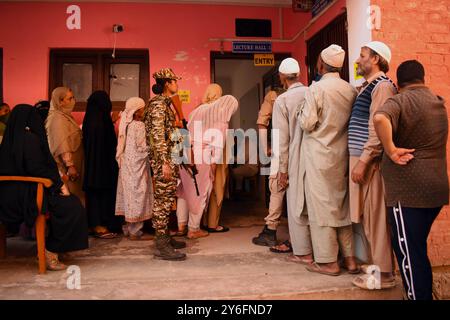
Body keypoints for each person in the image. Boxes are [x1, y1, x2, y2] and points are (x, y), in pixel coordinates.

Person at [374, 60, 449, 300]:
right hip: (435, 191)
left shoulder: (399, 101)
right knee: (417, 250)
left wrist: (391, 149)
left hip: (408, 194)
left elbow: (379, 119)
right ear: (422, 78)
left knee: (409, 254)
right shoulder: (437, 102)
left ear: (399, 82)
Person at [0, 105, 88, 271]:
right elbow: (37, 169)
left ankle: (55, 247)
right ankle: (51, 250)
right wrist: (60, 185)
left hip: (8, 196)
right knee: (72, 206)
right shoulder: (30, 139)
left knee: (65, 204)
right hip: (30, 195)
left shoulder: (9, 138)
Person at [299, 45, 359, 276]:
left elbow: (307, 123)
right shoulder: (350, 89)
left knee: (321, 208)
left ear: (321, 65)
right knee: (341, 205)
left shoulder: (317, 89)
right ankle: (350, 259)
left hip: (319, 157)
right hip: (342, 155)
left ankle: (328, 262)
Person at [348, 41, 397, 289]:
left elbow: (378, 129)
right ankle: (377, 267)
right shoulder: (368, 87)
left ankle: (384, 275)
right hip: (362, 160)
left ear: (376, 59)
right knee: (368, 217)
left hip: (371, 163)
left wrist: (365, 161)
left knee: (375, 217)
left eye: (363, 55)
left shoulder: (383, 86)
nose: (358, 60)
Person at [263, 58, 313, 264]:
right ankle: (316, 247)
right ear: (299, 75)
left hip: (293, 160)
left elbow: (282, 140)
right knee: (311, 203)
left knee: (295, 206)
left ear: (282, 77)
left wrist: (282, 169)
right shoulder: (311, 92)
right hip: (314, 156)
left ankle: (300, 249)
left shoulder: (282, 100)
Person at [176, 84, 238, 239]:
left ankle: (181, 226)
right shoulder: (219, 114)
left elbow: (186, 134)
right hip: (203, 156)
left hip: (186, 154)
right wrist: (214, 165)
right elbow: (217, 143)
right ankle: (193, 229)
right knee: (200, 192)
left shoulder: (196, 111)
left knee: (184, 192)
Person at [144, 68, 186, 261]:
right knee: (162, 202)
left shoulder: (164, 104)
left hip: (169, 158)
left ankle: (165, 238)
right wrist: (164, 163)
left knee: (168, 200)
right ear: (167, 83)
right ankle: (161, 244)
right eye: (174, 81)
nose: (177, 84)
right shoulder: (159, 106)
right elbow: (157, 136)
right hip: (164, 161)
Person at [82, 91, 120, 238]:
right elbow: (105, 143)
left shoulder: (91, 120)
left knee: (94, 195)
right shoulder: (99, 122)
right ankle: (100, 226)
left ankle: (95, 225)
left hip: (93, 166)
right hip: (102, 167)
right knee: (102, 195)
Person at [115, 97, 153, 241]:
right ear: (137, 111)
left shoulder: (125, 123)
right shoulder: (139, 126)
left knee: (129, 196)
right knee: (138, 195)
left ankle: (127, 228)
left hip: (126, 165)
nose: (145, 111)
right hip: (137, 166)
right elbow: (142, 147)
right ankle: (135, 232)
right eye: (143, 109)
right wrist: (155, 148)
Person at [252, 88, 286, 246]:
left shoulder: (273, 96)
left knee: (276, 187)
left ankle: (270, 230)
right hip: (302, 149)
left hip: (281, 148)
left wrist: (265, 148)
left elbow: (262, 121)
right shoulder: (306, 92)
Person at [201, 85, 236, 234]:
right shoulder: (221, 112)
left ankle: (201, 222)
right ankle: (213, 223)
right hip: (218, 156)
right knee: (217, 189)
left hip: (202, 156)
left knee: (203, 189)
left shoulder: (201, 110)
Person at [46, 87, 85, 206]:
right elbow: (62, 144)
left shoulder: (64, 116)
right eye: (69, 98)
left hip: (73, 162)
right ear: (60, 101)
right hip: (68, 165)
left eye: (73, 97)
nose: (73, 101)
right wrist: (70, 165)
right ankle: (73, 222)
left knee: (75, 193)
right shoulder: (57, 119)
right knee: (70, 195)